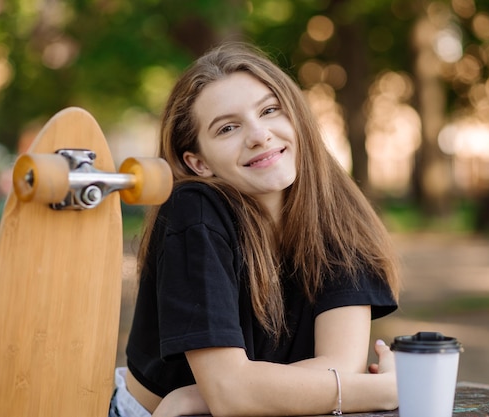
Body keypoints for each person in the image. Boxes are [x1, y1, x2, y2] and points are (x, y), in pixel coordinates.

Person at [110, 42, 401, 417]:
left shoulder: (336, 215)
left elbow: (340, 368)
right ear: (198, 162)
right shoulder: (192, 209)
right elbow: (231, 394)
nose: (259, 135)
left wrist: (196, 397)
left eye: (269, 110)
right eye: (228, 128)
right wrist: (384, 391)